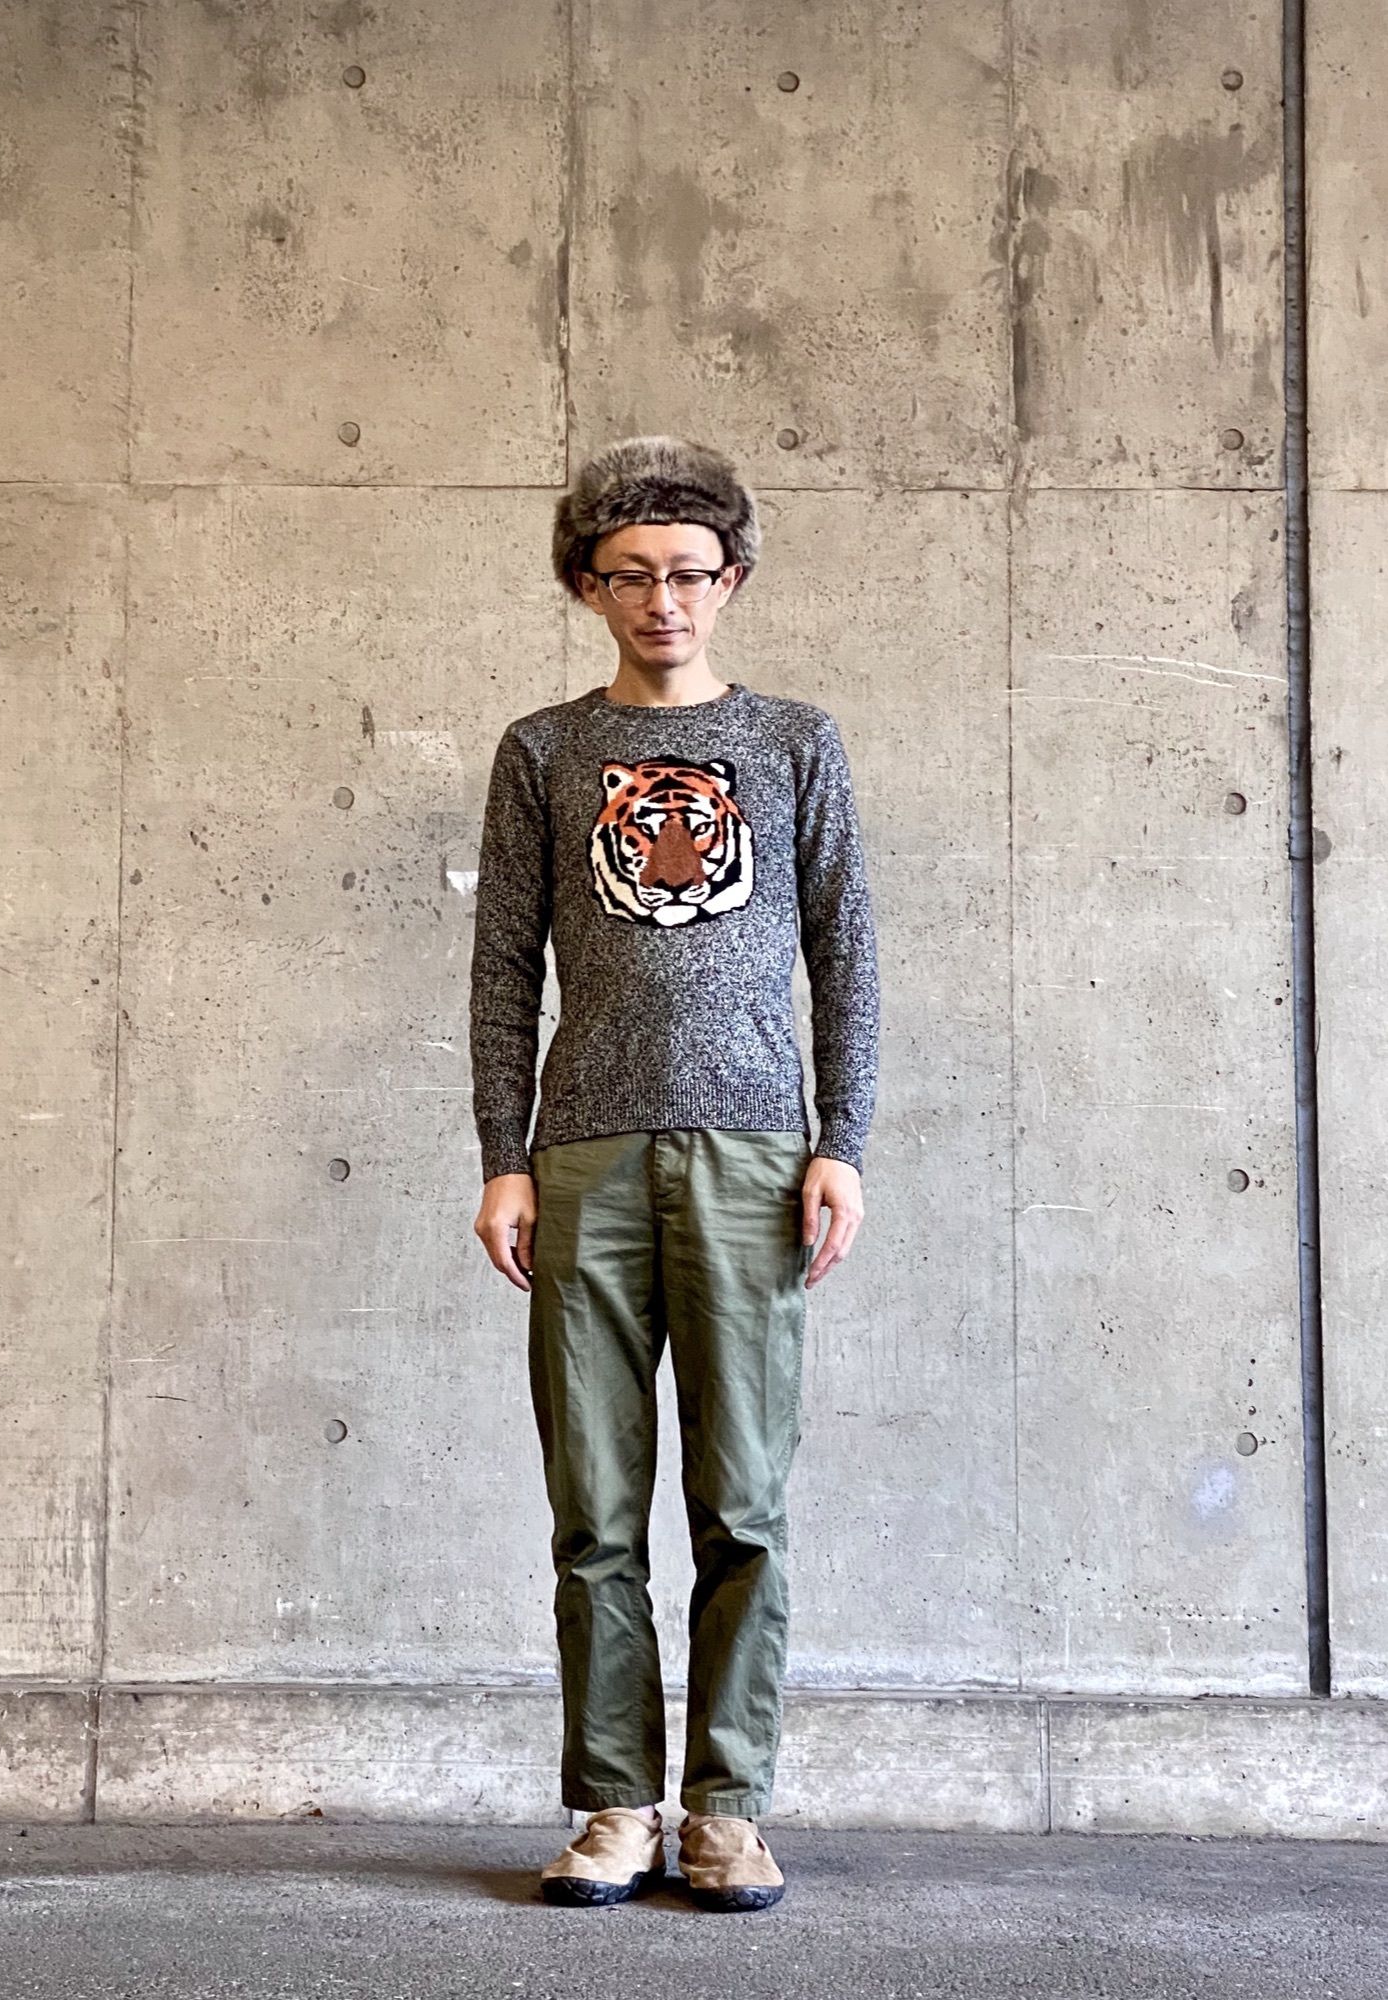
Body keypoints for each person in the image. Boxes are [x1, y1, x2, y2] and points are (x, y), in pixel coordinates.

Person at [469, 436, 879, 1912]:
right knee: (594, 1510)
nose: (664, 600)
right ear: (587, 585)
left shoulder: (795, 743)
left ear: (733, 579)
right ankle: (612, 1807)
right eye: (632, 573)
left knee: (743, 1505)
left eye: (691, 573)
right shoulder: (542, 750)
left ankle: (726, 1809)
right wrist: (504, 1159)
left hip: (757, 1155)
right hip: (582, 1156)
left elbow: (846, 953)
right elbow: (503, 970)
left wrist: (842, 1144)